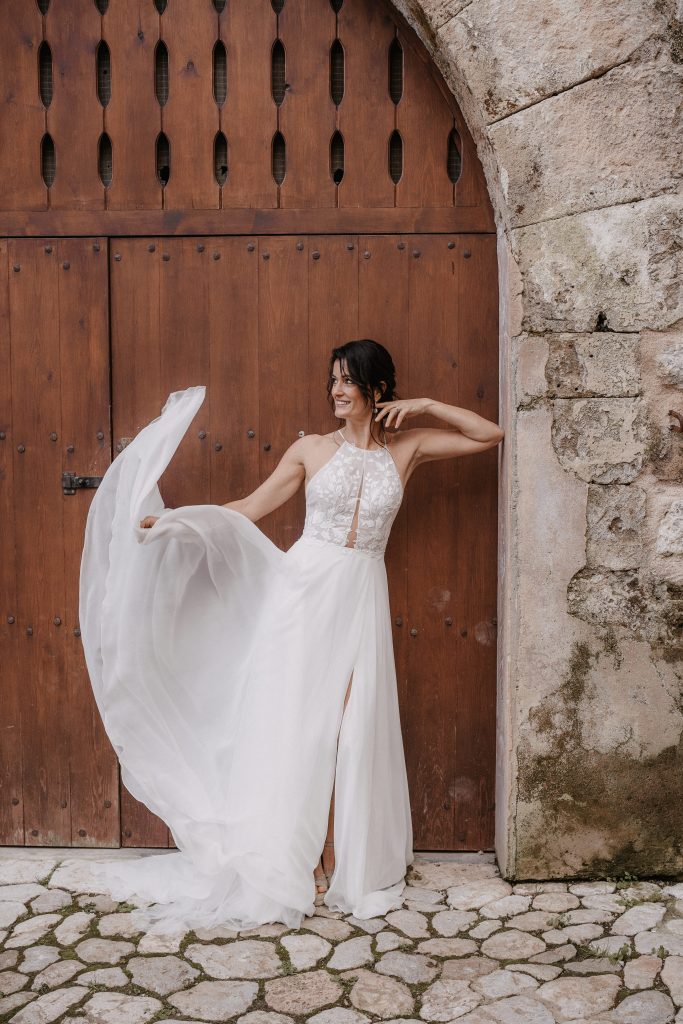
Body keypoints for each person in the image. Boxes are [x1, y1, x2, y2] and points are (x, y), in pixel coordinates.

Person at [79, 338, 504, 934]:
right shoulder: (310, 449)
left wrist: (428, 405)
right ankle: (304, 859)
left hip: (361, 594)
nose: (336, 390)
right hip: (303, 594)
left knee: (352, 727)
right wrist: (179, 522)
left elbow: (489, 434)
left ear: (378, 388)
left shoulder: (407, 450)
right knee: (305, 726)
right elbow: (250, 508)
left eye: (347, 380)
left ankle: (340, 854)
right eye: (333, 379)